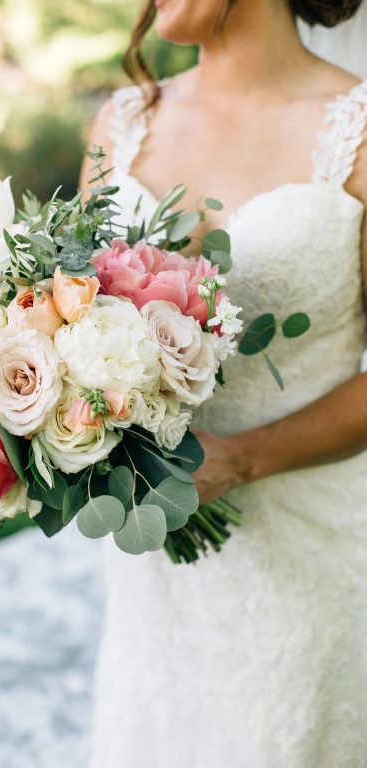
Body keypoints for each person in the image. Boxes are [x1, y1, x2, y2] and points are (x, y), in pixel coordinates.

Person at [78, 1, 367, 766]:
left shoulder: (357, 130)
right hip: (153, 564)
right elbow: (65, 314)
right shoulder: (122, 121)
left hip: (307, 557)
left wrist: (241, 457)